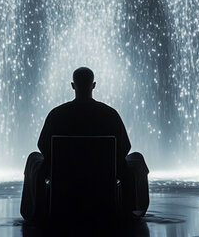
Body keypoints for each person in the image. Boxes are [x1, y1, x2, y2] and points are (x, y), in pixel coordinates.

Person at [21, 67, 149, 221]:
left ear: (73, 85)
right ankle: (131, 210)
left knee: (33, 158)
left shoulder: (57, 114)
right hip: (103, 170)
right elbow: (125, 148)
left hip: (64, 171)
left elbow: (42, 146)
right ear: (93, 85)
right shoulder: (109, 114)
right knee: (137, 159)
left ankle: (36, 211)